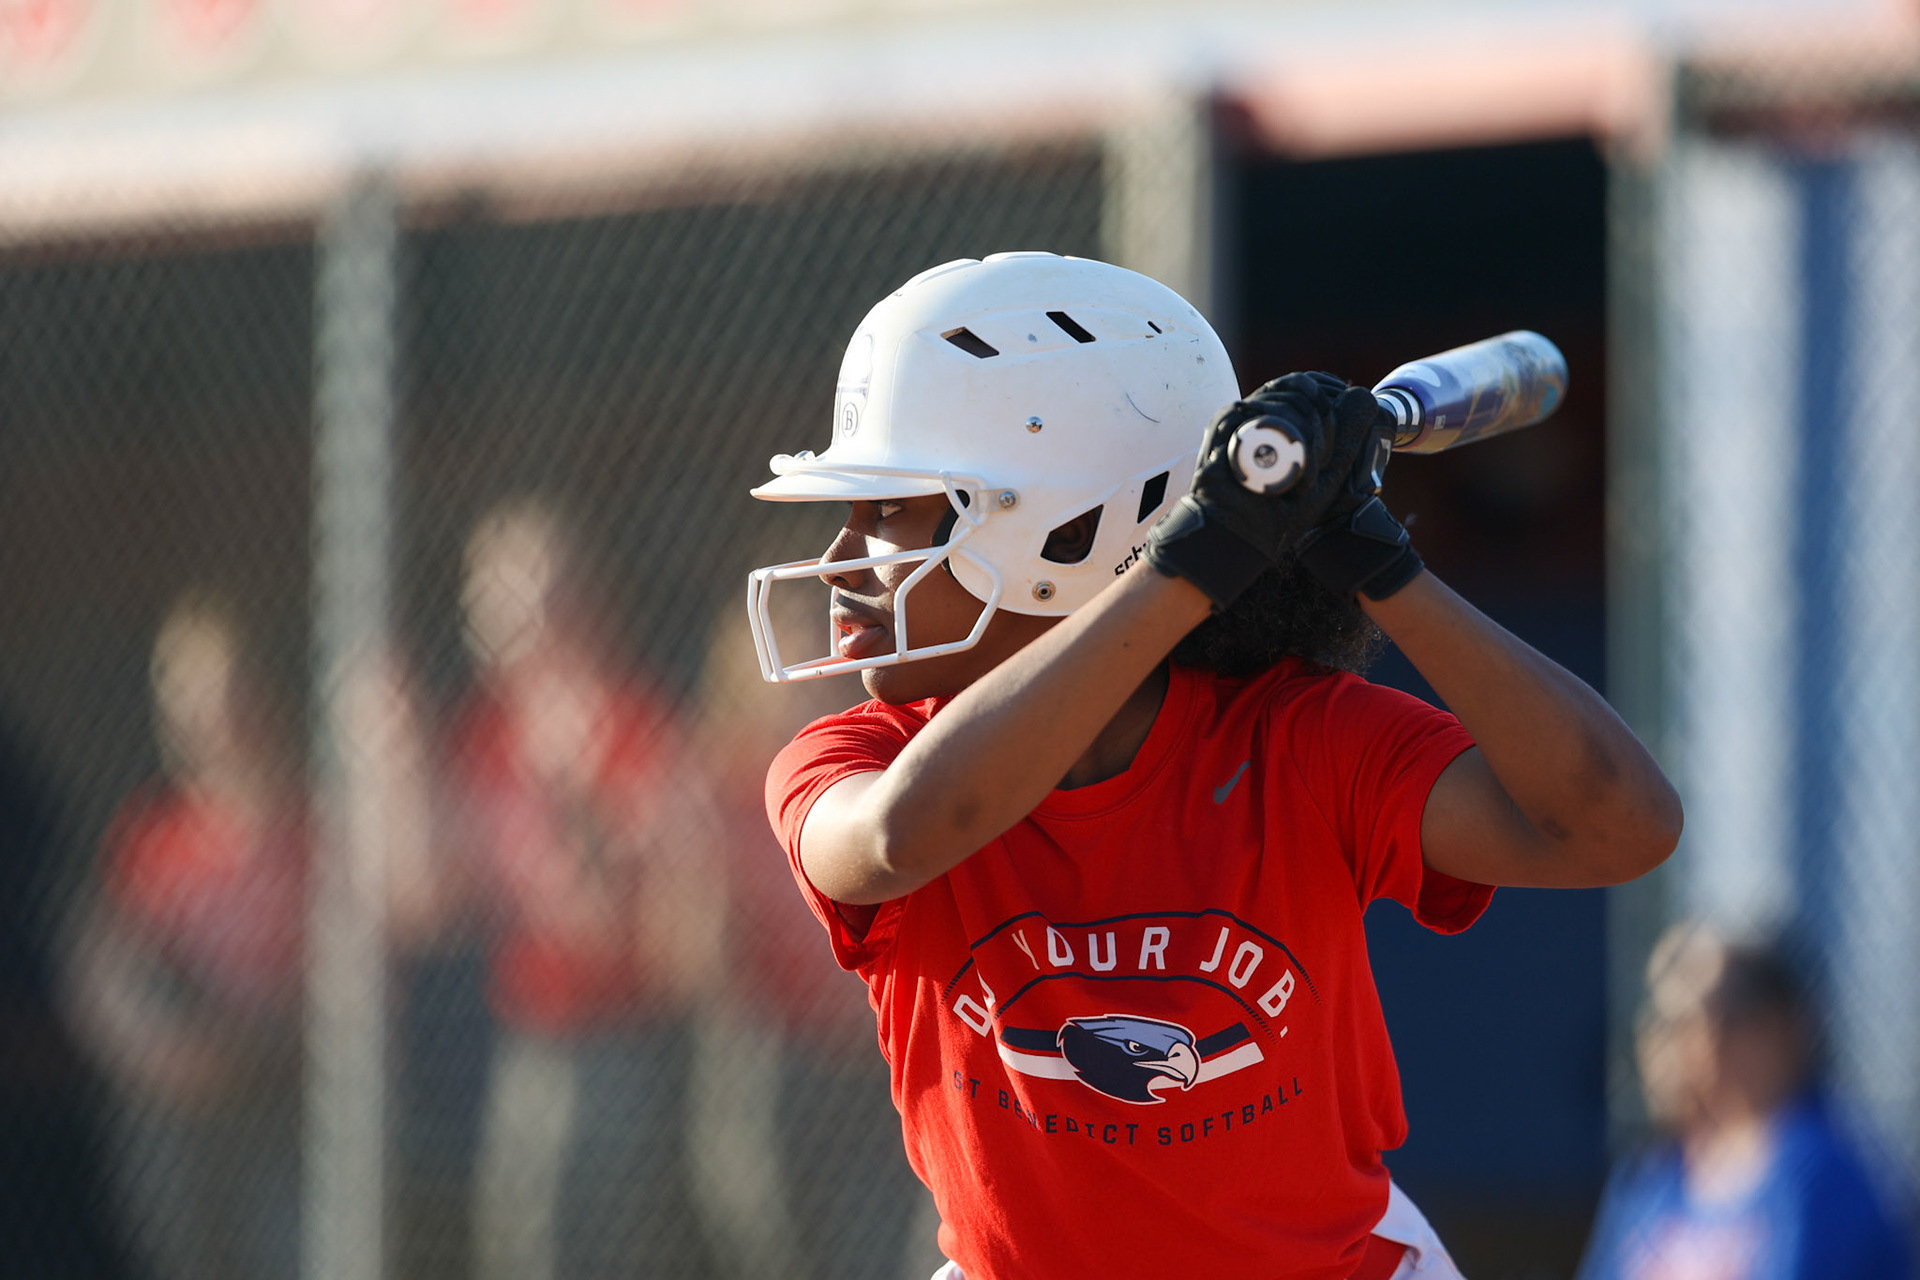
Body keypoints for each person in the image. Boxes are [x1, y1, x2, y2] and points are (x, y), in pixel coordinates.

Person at [747, 252, 1682, 1280]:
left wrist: (1383, 566)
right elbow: (902, 833)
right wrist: (1190, 560)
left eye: (888, 513)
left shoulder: (1296, 739)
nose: (843, 560)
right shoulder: (855, 757)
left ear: (1063, 531)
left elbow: (1620, 823)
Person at [448, 497, 717, 1280]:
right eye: (493, 589)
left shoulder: (635, 721)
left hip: (625, 1036)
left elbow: (621, 919)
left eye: (532, 587)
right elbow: (433, 897)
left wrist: (577, 812)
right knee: (518, 1241)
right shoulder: (489, 729)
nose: (507, 608)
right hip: (528, 1032)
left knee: (608, 1244)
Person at [66, 590, 307, 1280]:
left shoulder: (311, 825)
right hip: (182, 1101)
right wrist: (167, 1051)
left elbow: (349, 984)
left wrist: (256, 1042)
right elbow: (105, 976)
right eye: (185, 697)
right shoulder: (155, 835)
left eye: (223, 692)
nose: (206, 718)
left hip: (281, 1098)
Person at [1577, 923, 1913, 1280]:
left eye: (1691, 1020)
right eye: (1657, 1018)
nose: (1664, 1044)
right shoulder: (1650, 1181)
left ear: (1775, 1030)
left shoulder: (1820, 1174)